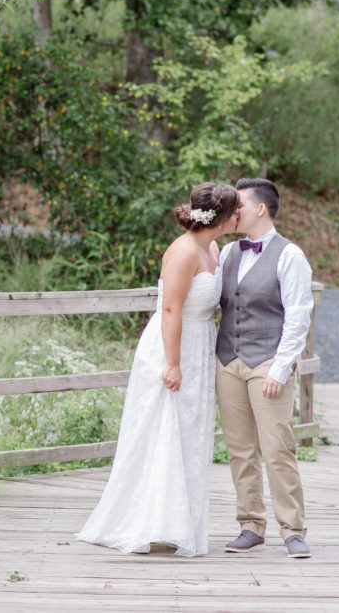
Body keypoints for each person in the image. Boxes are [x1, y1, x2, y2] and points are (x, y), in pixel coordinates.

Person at [77, 182, 239, 557]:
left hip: (199, 342)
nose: (238, 217)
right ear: (222, 216)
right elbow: (169, 309)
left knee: (188, 434)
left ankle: (175, 522)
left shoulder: (212, 247)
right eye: (234, 211)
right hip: (173, 344)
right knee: (162, 429)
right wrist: (172, 363)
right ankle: (143, 522)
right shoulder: (184, 251)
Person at [216, 178, 314, 559]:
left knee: (277, 448)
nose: (232, 210)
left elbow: (298, 316)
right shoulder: (227, 253)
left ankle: (293, 530)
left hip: (268, 362)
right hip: (228, 361)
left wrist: (280, 368)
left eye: (238, 204)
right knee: (240, 449)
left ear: (260, 208)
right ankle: (250, 525)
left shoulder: (291, 256)